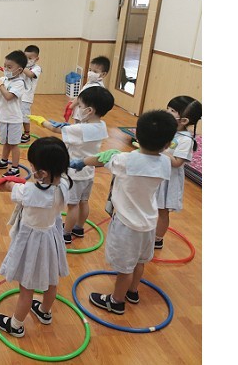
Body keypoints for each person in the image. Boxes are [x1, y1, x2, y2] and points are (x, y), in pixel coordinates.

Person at [70, 110, 177, 314]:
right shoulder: (165, 162)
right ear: (166, 144)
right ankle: (132, 292)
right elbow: (164, 155)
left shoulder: (125, 160)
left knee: (125, 268)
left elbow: (100, 159)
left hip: (126, 224)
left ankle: (116, 301)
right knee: (140, 262)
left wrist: (82, 162)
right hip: (149, 223)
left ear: (137, 137)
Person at [0, 137, 72, 337]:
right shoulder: (64, 185)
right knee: (51, 281)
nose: (31, 170)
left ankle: (16, 325)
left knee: (26, 288)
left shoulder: (29, 191)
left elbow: (10, 188)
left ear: (42, 173)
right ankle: (44, 311)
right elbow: (36, 188)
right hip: (51, 238)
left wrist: (4, 183)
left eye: (33, 167)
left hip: (31, 242)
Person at [29, 86, 115, 243]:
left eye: (80, 106)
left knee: (72, 205)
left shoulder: (80, 129)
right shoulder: (101, 125)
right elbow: (80, 129)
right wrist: (67, 126)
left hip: (74, 174)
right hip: (88, 172)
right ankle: (79, 228)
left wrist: (42, 121)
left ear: (89, 110)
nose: (78, 109)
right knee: (84, 202)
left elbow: (55, 129)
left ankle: (66, 233)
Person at [155, 96, 202, 249]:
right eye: (167, 108)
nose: (167, 112)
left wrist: (161, 150)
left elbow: (177, 163)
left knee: (162, 210)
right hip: (157, 173)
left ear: (184, 120)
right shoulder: (168, 130)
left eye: (172, 111)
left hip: (169, 179)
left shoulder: (186, 140)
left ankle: (157, 239)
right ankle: (148, 231)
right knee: (151, 205)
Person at [0, 50, 28, 177]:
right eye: (5, 66)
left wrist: (0, 85)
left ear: (19, 70)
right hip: (3, 117)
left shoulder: (19, 83)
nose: (6, 69)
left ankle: (15, 168)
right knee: (6, 142)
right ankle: (3, 161)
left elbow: (8, 96)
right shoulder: (5, 79)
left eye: (9, 67)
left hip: (14, 119)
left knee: (13, 144)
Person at [20, 45, 42, 143]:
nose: (27, 60)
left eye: (30, 58)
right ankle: (16, 132)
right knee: (16, 115)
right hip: (17, 95)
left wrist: (21, 66)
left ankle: (27, 133)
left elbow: (30, 74)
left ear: (36, 59)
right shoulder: (22, 67)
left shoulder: (37, 68)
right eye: (25, 58)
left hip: (26, 97)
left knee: (25, 116)